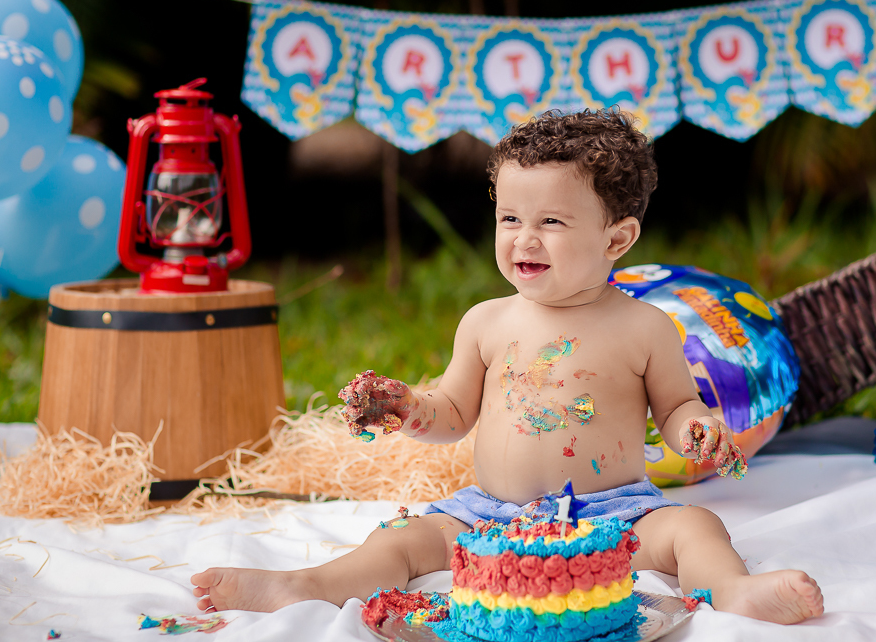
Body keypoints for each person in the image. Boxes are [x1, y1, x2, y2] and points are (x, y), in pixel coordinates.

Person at [191, 109, 824, 625]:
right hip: (487, 515)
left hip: (614, 517)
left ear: (616, 239)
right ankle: (307, 585)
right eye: (510, 218)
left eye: (551, 222)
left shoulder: (645, 327)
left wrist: (697, 428)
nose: (524, 238)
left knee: (695, 526)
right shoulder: (487, 322)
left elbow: (678, 407)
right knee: (400, 541)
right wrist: (410, 407)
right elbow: (453, 413)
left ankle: (735, 591)